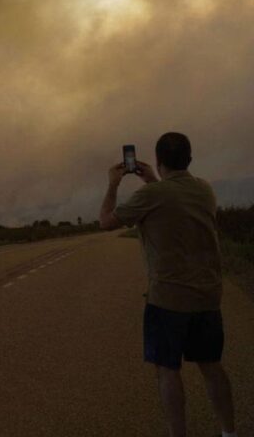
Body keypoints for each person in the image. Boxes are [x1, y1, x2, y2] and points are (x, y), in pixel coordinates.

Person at [99, 132, 236, 437]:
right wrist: (154, 180)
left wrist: (113, 183)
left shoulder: (152, 195)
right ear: (189, 159)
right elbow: (171, 203)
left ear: (159, 161)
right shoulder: (204, 190)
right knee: (212, 365)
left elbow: (106, 221)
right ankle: (229, 432)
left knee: (168, 371)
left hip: (168, 299)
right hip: (207, 296)